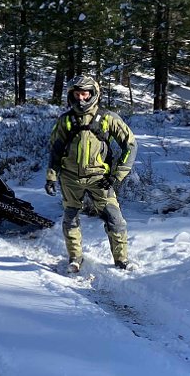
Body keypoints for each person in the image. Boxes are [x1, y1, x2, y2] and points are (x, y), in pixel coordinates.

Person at [44, 75, 136, 273]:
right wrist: (51, 176)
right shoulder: (65, 121)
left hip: (99, 179)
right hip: (70, 178)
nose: (81, 99)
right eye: (77, 94)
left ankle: (122, 260)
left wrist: (117, 175)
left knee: (115, 219)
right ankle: (75, 258)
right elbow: (55, 150)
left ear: (94, 94)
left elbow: (130, 145)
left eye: (85, 94)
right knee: (70, 218)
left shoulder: (108, 118)